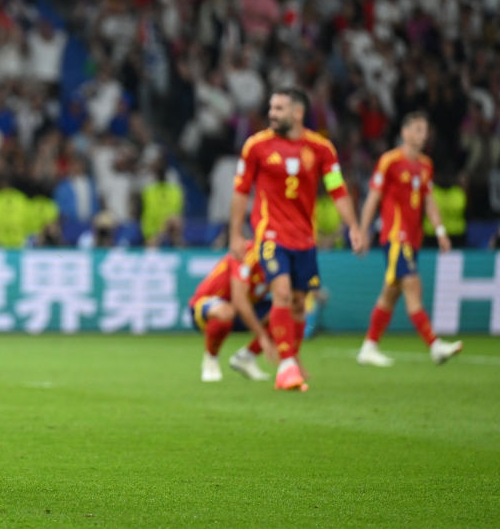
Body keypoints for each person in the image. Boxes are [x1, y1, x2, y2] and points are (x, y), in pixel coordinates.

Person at [230, 87, 365, 391]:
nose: (272, 114)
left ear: (298, 113)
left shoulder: (321, 149)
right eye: (271, 107)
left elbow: (337, 190)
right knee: (280, 292)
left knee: (298, 304)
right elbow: (240, 192)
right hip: (270, 234)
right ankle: (287, 365)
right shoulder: (256, 146)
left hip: (304, 238)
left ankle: (284, 359)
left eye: (279, 108)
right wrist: (235, 234)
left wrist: (354, 227)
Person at [356, 111, 462, 367]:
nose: (421, 134)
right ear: (404, 133)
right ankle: (435, 345)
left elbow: (428, 201)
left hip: (413, 240)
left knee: (391, 293)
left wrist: (440, 231)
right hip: (395, 236)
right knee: (413, 286)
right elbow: (373, 197)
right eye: (416, 129)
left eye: (424, 130)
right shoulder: (390, 161)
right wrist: (362, 231)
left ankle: (369, 346)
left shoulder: (425, 165)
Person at [189, 240, 277, 382]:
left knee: (285, 312)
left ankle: (246, 358)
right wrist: (262, 336)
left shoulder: (282, 256)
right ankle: (211, 359)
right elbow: (239, 301)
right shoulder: (246, 252)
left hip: (246, 308)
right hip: (208, 303)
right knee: (225, 312)